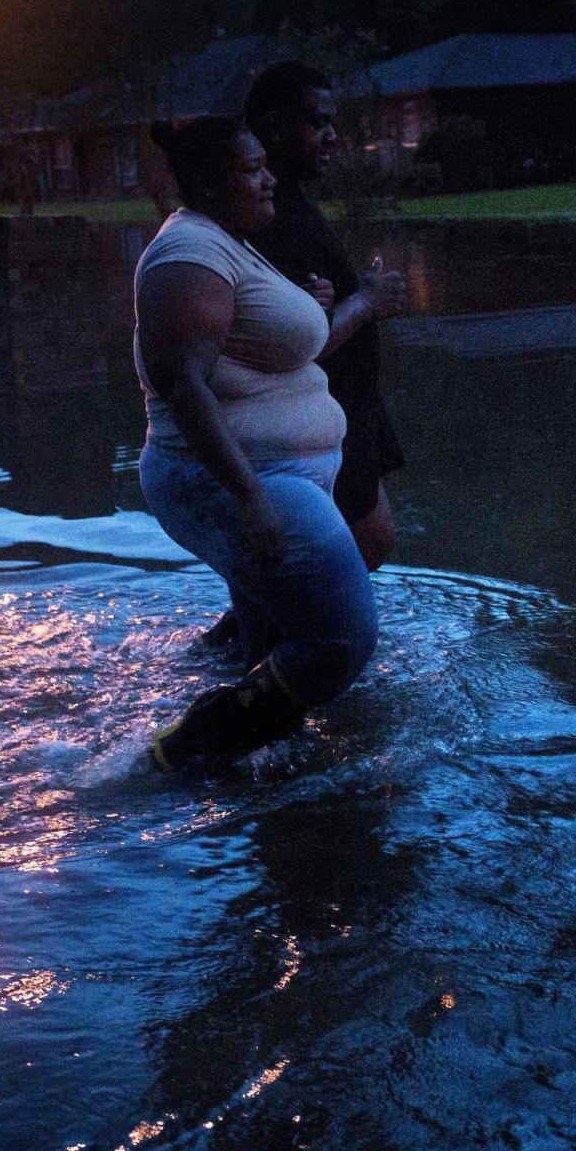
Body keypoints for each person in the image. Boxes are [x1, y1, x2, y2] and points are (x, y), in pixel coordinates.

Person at [134, 115, 381, 771]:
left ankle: (263, 766)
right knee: (342, 636)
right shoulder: (189, 251)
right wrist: (250, 497)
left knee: (273, 634)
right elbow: (181, 381)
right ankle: (184, 752)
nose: (270, 177)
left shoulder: (224, 242)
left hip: (279, 474)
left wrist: (303, 308)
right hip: (246, 479)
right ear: (214, 182)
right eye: (253, 168)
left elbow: (246, 348)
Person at [240, 60, 409, 568]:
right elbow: (292, 339)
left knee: (354, 545)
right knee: (360, 545)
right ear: (272, 127)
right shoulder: (267, 215)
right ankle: (262, 643)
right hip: (318, 414)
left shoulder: (289, 203)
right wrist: (368, 301)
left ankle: (248, 640)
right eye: (317, 123)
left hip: (344, 408)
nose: (333, 137)